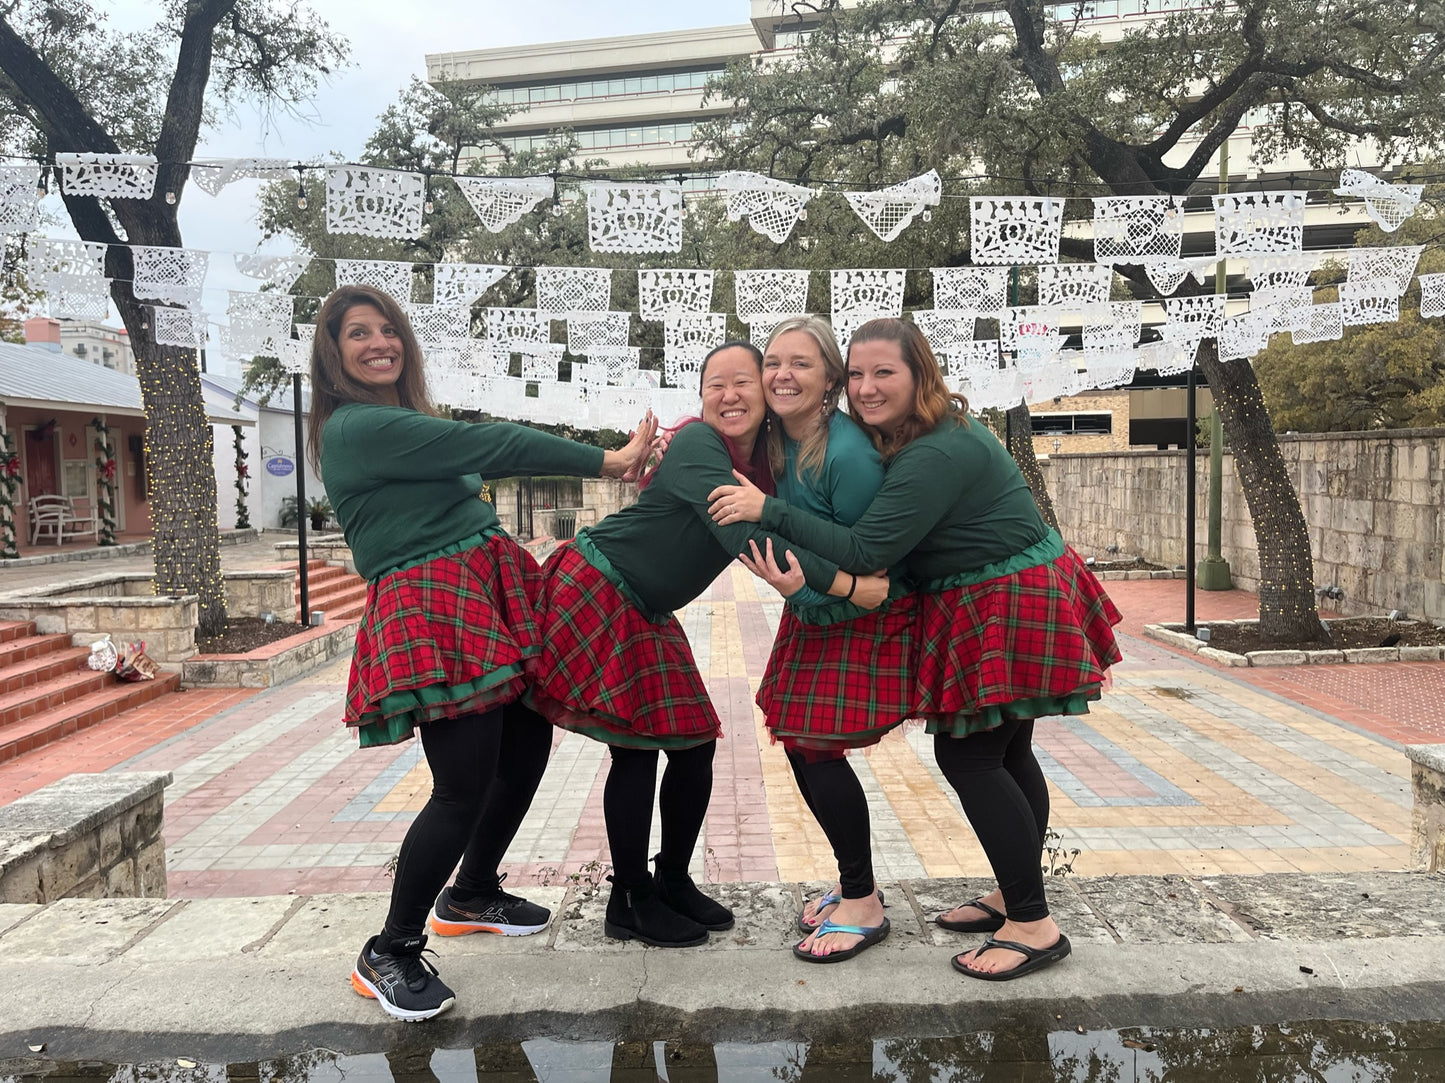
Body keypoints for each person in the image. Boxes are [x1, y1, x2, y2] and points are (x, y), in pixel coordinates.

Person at [710, 318, 1121, 980]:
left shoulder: (933, 450)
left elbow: (872, 551)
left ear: (920, 374)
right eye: (860, 374)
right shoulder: (902, 434)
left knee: (971, 753)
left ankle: (1032, 921)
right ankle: (1013, 894)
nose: (868, 387)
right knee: (1006, 749)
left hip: (1006, 592)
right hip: (996, 585)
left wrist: (767, 512)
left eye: (885, 373)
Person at [310, 284, 656, 1021]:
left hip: (478, 589)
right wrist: (612, 459)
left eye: (388, 330)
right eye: (358, 334)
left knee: (525, 744)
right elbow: (491, 443)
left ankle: (471, 891)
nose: (379, 343)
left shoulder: (401, 419)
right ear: (332, 354)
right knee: (460, 785)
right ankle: (390, 949)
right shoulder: (356, 426)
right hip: (433, 604)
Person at [527, 341, 887, 949]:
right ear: (700, 396)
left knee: (693, 744)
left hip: (645, 605)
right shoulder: (698, 446)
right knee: (636, 749)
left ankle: (671, 880)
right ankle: (629, 899)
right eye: (714, 384)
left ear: (765, 395)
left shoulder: (767, 465)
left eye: (742, 382)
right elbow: (747, 536)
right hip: (601, 584)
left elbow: (794, 510)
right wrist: (848, 586)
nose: (729, 395)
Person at [741, 316, 918, 964]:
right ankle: (853, 884)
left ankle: (863, 902)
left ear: (829, 383)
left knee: (815, 746)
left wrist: (811, 592)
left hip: (856, 615)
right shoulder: (775, 441)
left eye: (801, 363)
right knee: (798, 741)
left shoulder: (844, 453)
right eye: (773, 362)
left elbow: (876, 567)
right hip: (813, 607)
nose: (781, 374)